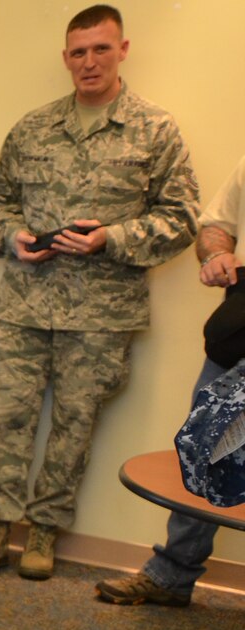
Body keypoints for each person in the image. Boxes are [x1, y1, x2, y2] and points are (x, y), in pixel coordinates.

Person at [0, 4, 198, 581]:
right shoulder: (33, 127)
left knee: (74, 426)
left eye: (100, 49)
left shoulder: (156, 129)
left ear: (123, 50)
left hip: (101, 315)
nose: (88, 61)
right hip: (24, 304)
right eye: (78, 51)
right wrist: (13, 237)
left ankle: (43, 532)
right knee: (4, 419)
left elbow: (183, 218)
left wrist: (112, 239)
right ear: (65, 58)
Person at [96, 151, 245, 605]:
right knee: (206, 451)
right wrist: (218, 253)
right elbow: (217, 224)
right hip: (238, 329)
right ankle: (170, 575)